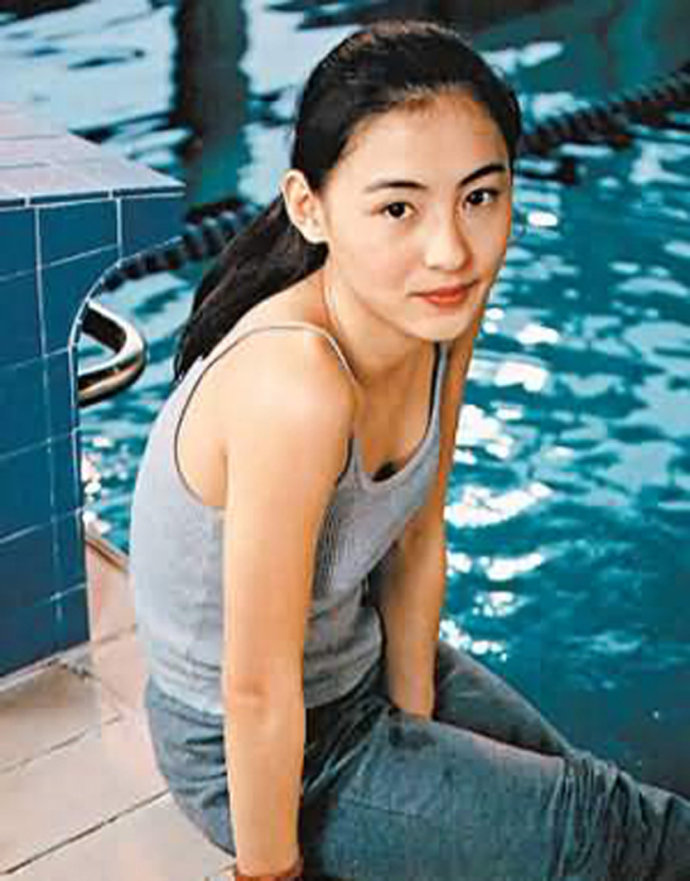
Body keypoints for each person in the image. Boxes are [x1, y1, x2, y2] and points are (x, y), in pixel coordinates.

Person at [129, 19, 690, 881]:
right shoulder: (296, 384)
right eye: (399, 207)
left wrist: (421, 744)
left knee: (600, 802)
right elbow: (256, 686)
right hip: (251, 749)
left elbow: (416, 539)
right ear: (309, 207)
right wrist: (269, 873)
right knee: (616, 834)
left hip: (352, 670)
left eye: (480, 196)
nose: (451, 248)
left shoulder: (438, 304)